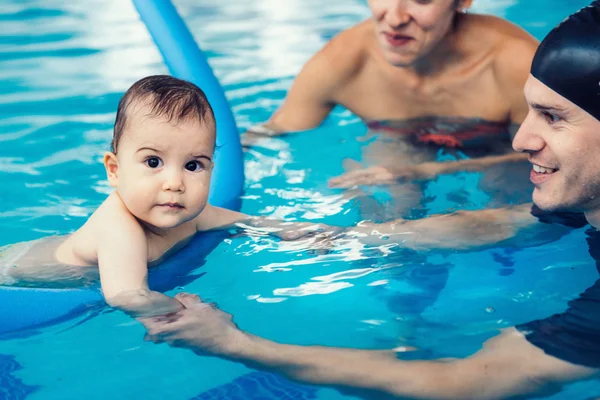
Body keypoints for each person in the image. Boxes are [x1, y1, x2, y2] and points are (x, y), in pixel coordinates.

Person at [143, 2, 600, 398]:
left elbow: (464, 384)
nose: (521, 138)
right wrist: (337, 237)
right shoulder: (582, 199)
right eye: (530, 111)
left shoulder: (508, 59)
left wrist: (232, 343)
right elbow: (510, 221)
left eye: (553, 117)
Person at [0, 75, 334, 318]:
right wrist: (184, 311)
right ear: (114, 170)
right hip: (17, 270)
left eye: (192, 165)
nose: (174, 183)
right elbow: (127, 297)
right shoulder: (120, 229)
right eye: (153, 162)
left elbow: (242, 221)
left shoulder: (185, 211)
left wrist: (287, 230)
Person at [244, 0, 538, 196]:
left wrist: (427, 170)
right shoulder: (345, 61)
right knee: (385, 205)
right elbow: (275, 131)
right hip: (400, 139)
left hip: (502, 148)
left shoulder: (514, 64)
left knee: (506, 192)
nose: (395, 18)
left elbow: (555, 157)